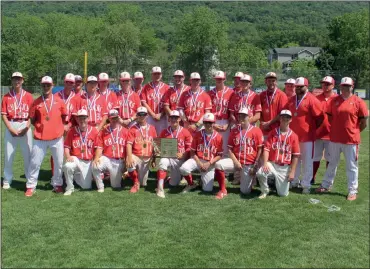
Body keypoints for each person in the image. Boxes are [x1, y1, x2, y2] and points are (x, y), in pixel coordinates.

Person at [316, 77, 368, 201]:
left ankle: (352, 191)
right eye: (343, 86)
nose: (345, 88)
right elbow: (329, 118)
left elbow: (364, 122)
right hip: (335, 139)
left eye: (347, 86)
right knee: (332, 163)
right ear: (340, 87)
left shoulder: (358, 101)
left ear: (352, 87)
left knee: (351, 166)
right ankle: (326, 185)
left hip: (351, 140)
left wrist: (354, 132)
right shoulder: (334, 101)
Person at [25, 76, 67, 197]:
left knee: (59, 163)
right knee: (35, 163)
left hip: (57, 137)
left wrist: (59, 127)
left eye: (48, 85)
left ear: (52, 85)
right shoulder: (36, 102)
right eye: (44, 85)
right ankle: (31, 186)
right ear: (41, 86)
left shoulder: (59, 100)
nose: (46, 87)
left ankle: (57, 184)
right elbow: (32, 119)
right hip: (40, 138)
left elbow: (64, 116)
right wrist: (41, 125)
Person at [284, 77, 323, 194]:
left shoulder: (312, 99)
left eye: (301, 86)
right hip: (293, 137)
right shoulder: (291, 100)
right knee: (294, 160)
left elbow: (320, 118)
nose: (298, 89)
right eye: (297, 87)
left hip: (307, 137)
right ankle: (294, 181)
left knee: (307, 161)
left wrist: (310, 129)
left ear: (307, 86)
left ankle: (306, 184)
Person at [214, 108, 264, 199]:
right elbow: (230, 149)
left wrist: (255, 165)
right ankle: (223, 189)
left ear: (249, 117)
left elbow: (260, 150)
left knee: (245, 191)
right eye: (239, 115)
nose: (241, 118)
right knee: (218, 164)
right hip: (236, 161)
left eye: (244, 116)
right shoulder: (234, 130)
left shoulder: (256, 131)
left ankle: (251, 179)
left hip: (249, 164)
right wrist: (236, 162)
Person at [256, 110, 300, 199]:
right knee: (261, 173)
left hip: (284, 167)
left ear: (291, 120)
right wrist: (265, 163)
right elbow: (266, 149)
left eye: (287, 117)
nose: (285, 119)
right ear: (279, 118)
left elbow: (295, 155)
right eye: (283, 116)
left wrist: (292, 172)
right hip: (272, 163)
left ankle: (275, 184)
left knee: (282, 194)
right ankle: (265, 190)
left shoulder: (294, 136)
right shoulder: (273, 132)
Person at [1, 72, 33, 189]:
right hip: (12, 123)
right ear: (12, 81)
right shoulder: (6, 97)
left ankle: (30, 180)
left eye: (19, 79)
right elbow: (3, 115)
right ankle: (7, 179)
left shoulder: (29, 96)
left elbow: (32, 115)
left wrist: (27, 127)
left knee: (27, 154)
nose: (17, 81)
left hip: (25, 123)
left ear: (23, 80)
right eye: (15, 79)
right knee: (8, 154)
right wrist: (10, 128)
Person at [179, 113, 223, 194]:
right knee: (183, 168)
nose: (208, 124)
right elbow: (192, 152)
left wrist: (209, 163)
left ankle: (201, 180)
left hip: (209, 163)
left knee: (207, 190)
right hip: (197, 160)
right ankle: (191, 184)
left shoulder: (218, 137)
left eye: (210, 122)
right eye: (206, 122)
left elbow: (219, 155)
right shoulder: (198, 134)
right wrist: (199, 163)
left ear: (214, 123)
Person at [155, 110, 192, 198]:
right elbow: (158, 144)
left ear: (179, 119)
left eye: (176, 118)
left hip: (179, 158)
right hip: (168, 157)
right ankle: (160, 188)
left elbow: (189, 147)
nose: (174, 120)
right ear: (169, 119)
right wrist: (158, 150)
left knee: (174, 184)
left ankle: (173, 179)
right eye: (172, 118)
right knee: (162, 162)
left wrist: (183, 154)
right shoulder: (164, 131)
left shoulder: (185, 131)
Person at [63, 109, 99, 195]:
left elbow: (98, 148)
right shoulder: (72, 131)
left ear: (88, 118)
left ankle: (76, 176)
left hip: (88, 161)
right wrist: (68, 156)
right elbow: (66, 147)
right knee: (68, 166)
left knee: (86, 187)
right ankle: (69, 188)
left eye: (84, 118)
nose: (82, 120)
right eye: (80, 118)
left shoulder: (94, 131)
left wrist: (96, 159)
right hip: (76, 159)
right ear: (77, 119)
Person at [92, 109, 128, 192]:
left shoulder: (125, 131)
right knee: (95, 166)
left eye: (116, 118)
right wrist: (97, 158)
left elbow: (127, 149)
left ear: (119, 118)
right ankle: (100, 187)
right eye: (112, 118)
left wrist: (125, 164)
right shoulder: (104, 131)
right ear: (109, 118)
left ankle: (114, 177)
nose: (114, 120)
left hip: (119, 161)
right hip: (107, 158)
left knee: (115, 186)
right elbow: (100, 147)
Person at [126, 107, 157, 193]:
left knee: (143, 184)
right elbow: (128, 144)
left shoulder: (152, 128)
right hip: (137, 156)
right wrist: (129, 157)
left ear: (147, 116)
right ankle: (135, 182)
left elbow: (155, 145)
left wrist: (154, 159)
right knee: (130, 163)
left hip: (147, 158)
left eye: (143, 114)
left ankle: (133, 177)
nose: (142, 116)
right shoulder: (133, 128)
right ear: (137, 116)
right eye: (139, 114)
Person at [51, 73, 77, 176]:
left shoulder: (76, 97)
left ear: (74, 84)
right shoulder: (56, 96)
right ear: (64, 82)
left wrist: (69, 125)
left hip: (71, 126)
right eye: (67, 82)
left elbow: (76, 115)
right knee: (56, 153)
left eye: (71, 83)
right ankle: (55, 175)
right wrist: (62, 126)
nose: (69, 84)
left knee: (71, 151)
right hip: (58, 127)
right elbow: (52, 114)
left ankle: (70, 175)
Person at [312, 76, 337, 184]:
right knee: (315, 157)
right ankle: (311, 178)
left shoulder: (337, 99)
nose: (325, 86)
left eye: (327, 84)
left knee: (330, 159)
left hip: (332, 134)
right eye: (323, 83)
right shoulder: (316, 98)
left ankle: (328, 181)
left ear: (333, 85)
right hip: (317, 133)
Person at [207, 71, 234, 156]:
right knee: (213, 144)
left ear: (224, 79)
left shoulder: (231, 92)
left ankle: (223, 168)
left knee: (225, 146)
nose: (219, 80)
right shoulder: (210, 93)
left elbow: (231, 112)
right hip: (213, 121)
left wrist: (228, 124)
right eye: (217, 79)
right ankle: (213, 166)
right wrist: (213, 124)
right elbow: (208, 111)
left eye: (221, 79)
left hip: (225, 121)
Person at [140, 66, 170, 135]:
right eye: (155, 74)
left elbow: (167, 104)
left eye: (158, 74)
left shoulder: (166, 87)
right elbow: (144, 103)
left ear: (161, 75)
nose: (157, 76)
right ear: (152, 75)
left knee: (162, 137)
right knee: (149, 135)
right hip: (150, 117)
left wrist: (161, 114)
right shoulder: (146, 87)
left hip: (162, 117)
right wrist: (153, 115)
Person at [259, 72, 288, 139]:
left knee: (275, 148)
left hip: (277, 130)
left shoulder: (282, 95)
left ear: (276, 82)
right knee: (264, 149)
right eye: (269, 81)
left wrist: (268, 123)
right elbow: (258, 111)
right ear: (265, 82)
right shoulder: (261, 95)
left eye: (273, 81)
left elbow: (282, 114)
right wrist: (262, 122)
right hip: (264, 130)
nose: (271, 83)